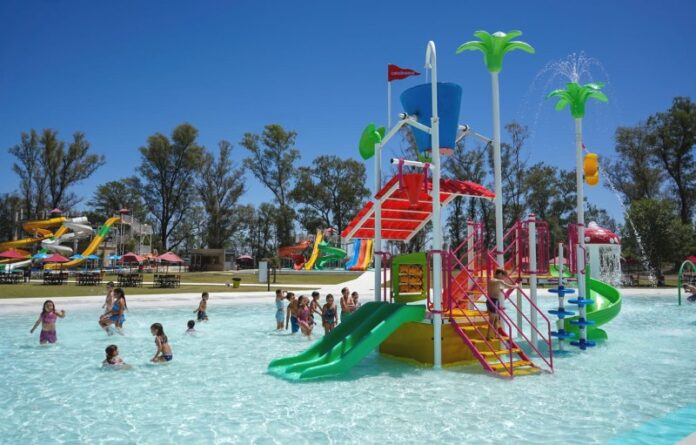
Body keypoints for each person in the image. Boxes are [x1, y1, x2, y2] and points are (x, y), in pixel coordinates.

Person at [485, 269, 520, 340]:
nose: (503, 278)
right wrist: (515, 286)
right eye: (503, 276)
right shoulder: (496, 281)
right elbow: (507, 285)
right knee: (492, 319)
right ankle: (488, 335)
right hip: (493, 301)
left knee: (496, 319)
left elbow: (504, 286)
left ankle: (496, 334)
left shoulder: (494, 281)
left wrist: (512, 286)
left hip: (492, 300)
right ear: (500, 274)